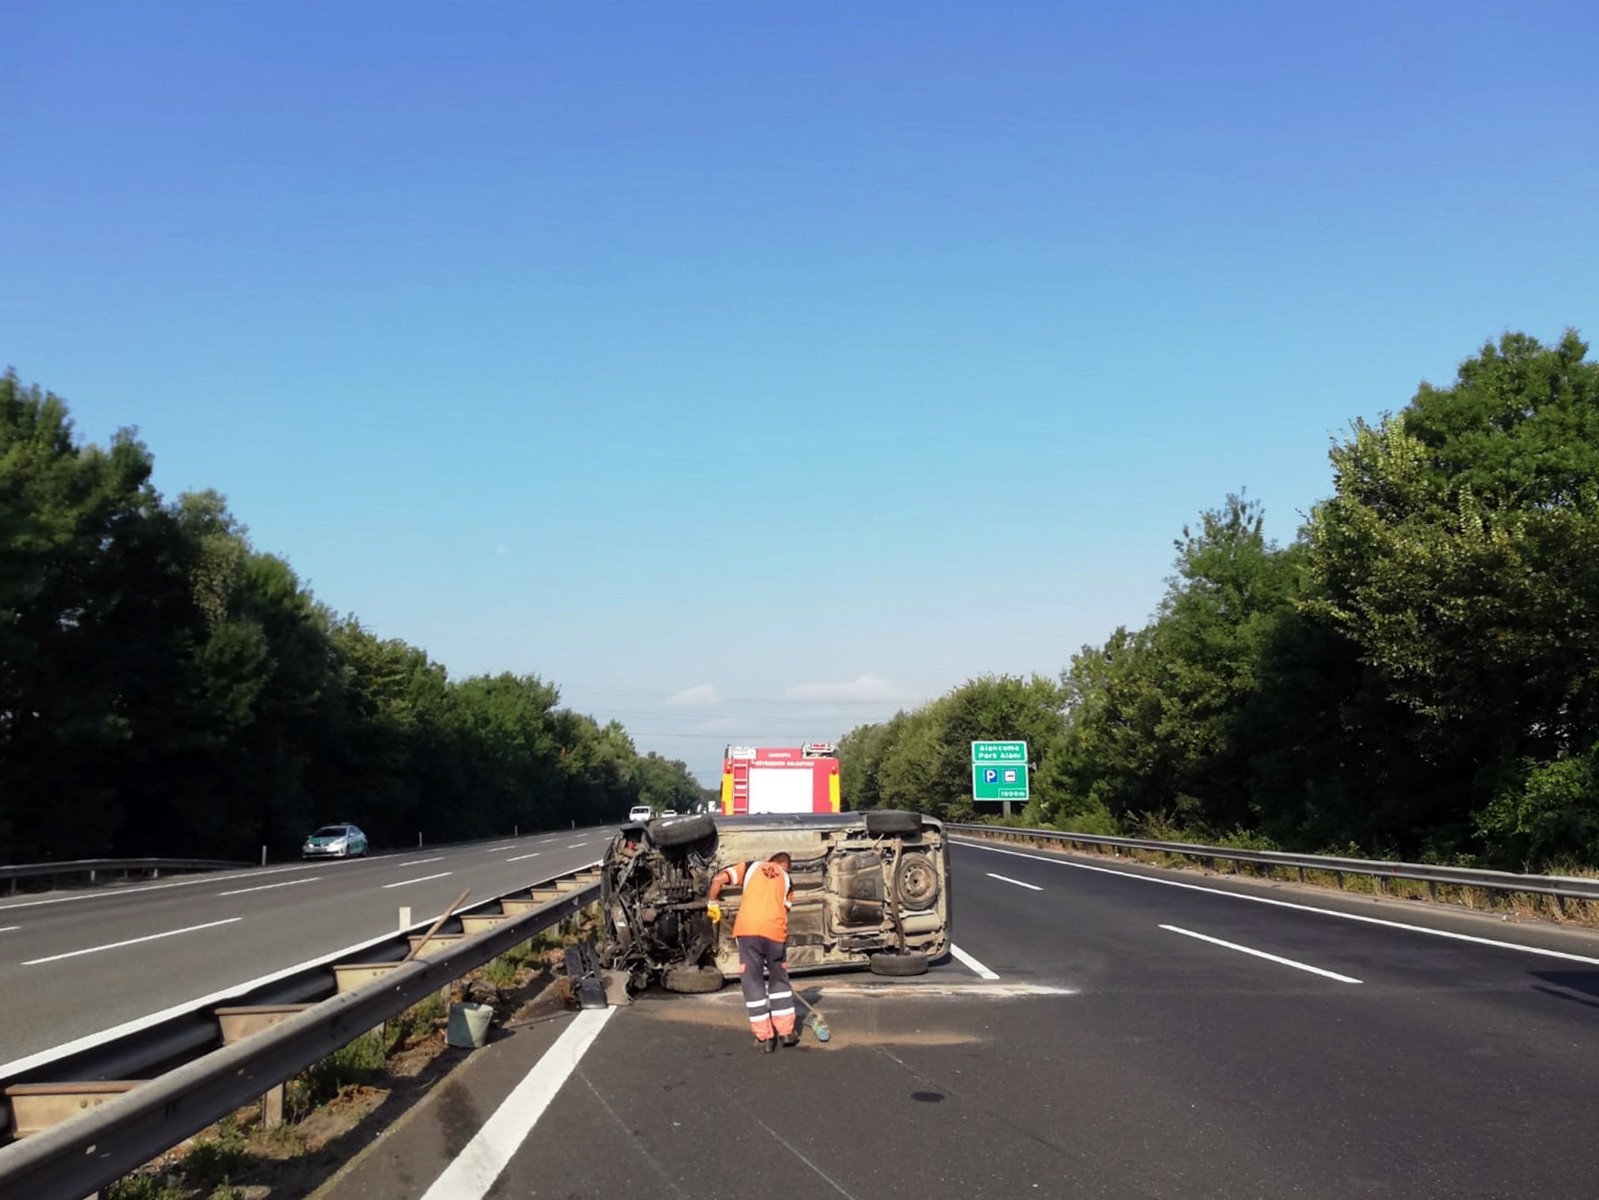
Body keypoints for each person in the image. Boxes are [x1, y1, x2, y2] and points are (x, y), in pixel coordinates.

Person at [707, 852, 796, 1052]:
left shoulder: (751, 867)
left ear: (771, 860)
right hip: (774, 933)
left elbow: (718, 879)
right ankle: (786, 1032)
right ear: (785, 865)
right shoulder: (788, 879)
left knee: (753, 981)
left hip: (748, 931)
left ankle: (765, 1039)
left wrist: (712, 903)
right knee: (779, 981)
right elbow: (785, 909)